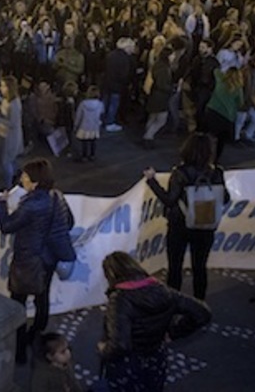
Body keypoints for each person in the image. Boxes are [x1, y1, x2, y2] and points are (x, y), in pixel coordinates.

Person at [98, 251, 211, 391]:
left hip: (128, 363)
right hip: (156, 357)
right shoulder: (164, 290)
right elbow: (202, 313)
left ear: (112, 275)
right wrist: (174, 333)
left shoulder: (119, 299)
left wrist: (104, 350)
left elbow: (121, 344)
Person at [0, 159, 74, 364]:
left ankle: (20, 350)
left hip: (27, 260)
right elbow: (70, 222)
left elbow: (7, 226)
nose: (22, 178)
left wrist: (1, 204)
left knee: (19, 304)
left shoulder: (31, 206)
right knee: (42, 299)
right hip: (48, 259)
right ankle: (35, 337)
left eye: (25, 176)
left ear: (35, 182)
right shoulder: (56, 197)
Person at [143, 132, 230, 300]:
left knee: (175, 268)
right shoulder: (217, 172)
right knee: (200, 268)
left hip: (179, 226)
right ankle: (199, 305)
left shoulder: (180, 172)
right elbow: (225, 198)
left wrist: (152, 180)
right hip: (205, 226)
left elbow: (169, 200)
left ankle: (173, 304)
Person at [0, 75, 24, 188]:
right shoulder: (6, 99)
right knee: (7, 158)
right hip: (2, 133)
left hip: (10, 136)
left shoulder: (15, 104)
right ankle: (17, 174)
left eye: (3, 86)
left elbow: (13, 123)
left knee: (6, 161)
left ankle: (8, 186)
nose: (0, 88)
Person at [74, 85, 104, 162]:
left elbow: (78, 116)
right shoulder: (100, 104)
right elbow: (101, 114)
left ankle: (84, 156)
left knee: (84, 142)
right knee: (93, 142)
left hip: (84, 126)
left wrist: (76, 125)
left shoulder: (83, 104)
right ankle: (92, 155)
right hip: (94, 126)